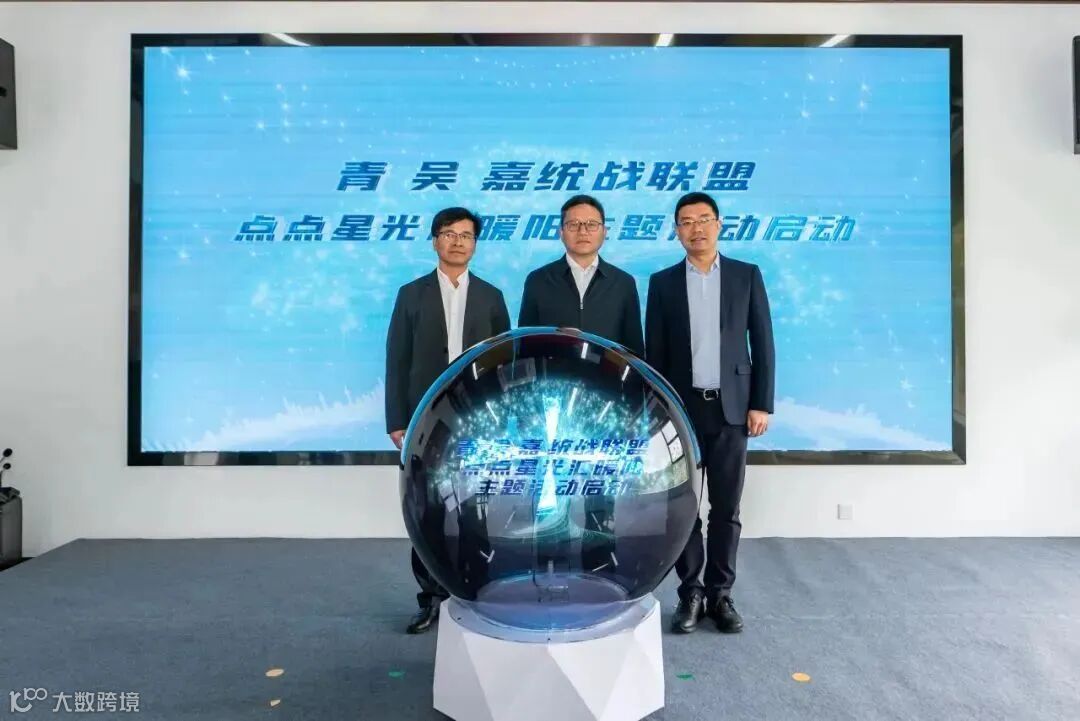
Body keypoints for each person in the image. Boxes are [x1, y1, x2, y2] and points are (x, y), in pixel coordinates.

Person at [644, 191, 775, 634]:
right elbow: (655, 353)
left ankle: (721, 593)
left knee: (726, 508)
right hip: (680, 412)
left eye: (703, 219)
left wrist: (761, 402)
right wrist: (659, 412)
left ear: (718, 224)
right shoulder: (662, 283)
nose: (695, 228)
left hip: (731, 409)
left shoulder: (745, 275)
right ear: (677, 230)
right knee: (682, 507)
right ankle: (691, 593)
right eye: (686, 221)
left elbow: (763, 342)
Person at [385, 206, 511, 634]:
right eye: (449, 234)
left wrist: (501, 420)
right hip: (426, 416)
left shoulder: (491, 297)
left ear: (475, 243)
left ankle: (476, 590)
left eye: (466, 235)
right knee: (429, 510)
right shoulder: (411, 294)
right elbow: (397, 360)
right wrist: (397, 419)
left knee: (477, 508)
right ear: (435, 240)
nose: (458, 242)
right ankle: (431, 598)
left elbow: (504, 365)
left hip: (477, 417)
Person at [518, 194, 644, 356]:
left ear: (604, 231)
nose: (583, 231)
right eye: (573, 224)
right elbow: (525, 344)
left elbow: (633, 350)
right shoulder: (538, 280)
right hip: (554, 371)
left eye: (591, 224)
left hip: (606, 372)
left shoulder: (623, 283)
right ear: (561, 232)